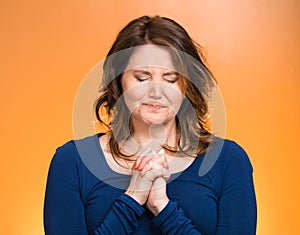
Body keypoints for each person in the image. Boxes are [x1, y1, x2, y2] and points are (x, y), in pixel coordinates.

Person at [44, 15, 257, 235]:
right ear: (119, 80)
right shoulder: (72, 161)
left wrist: (163, 209)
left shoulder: (228, 160)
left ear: (186, 86)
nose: (156, 91)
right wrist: (133, 197)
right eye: (142, 77)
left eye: (171, 78)